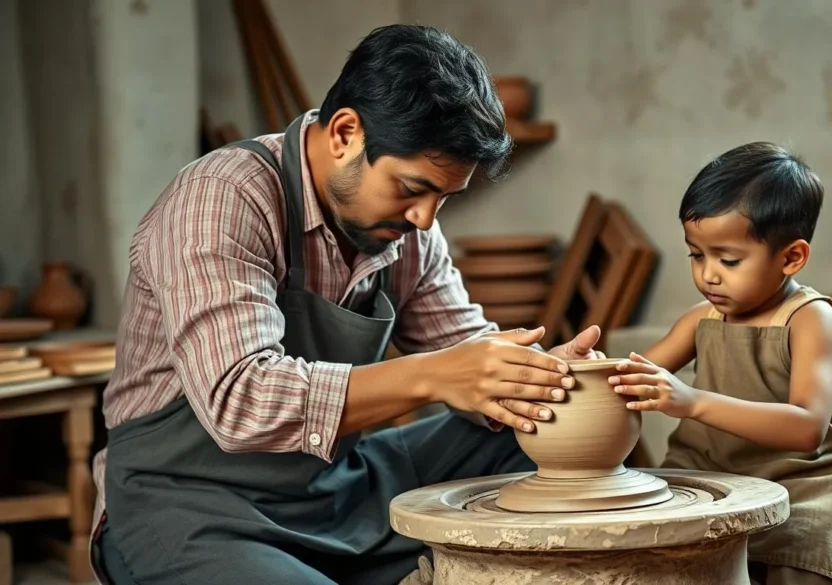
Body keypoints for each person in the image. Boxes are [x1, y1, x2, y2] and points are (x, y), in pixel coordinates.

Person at [89, 24, 607, 585]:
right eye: (411, 190)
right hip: (187, 502)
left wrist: (548, 375)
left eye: (444, 199)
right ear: (344, 133)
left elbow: (468, 357)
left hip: (332, 487)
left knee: (532, 434)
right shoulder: (224, 198)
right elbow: (239, 402)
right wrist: (434, 375)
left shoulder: (409, 234)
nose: (426, 220)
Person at [610, 142, 832, 585]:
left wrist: (692, 402)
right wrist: (584, 367)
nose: (708, 275)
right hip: (708, 478)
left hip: (800, 484)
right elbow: (625, 377)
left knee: (814, 539)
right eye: (697, 255)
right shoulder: (700, 320)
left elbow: (806, 428)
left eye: (729, 260)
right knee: (655, 548)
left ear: (791, 257)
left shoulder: (811, 319)